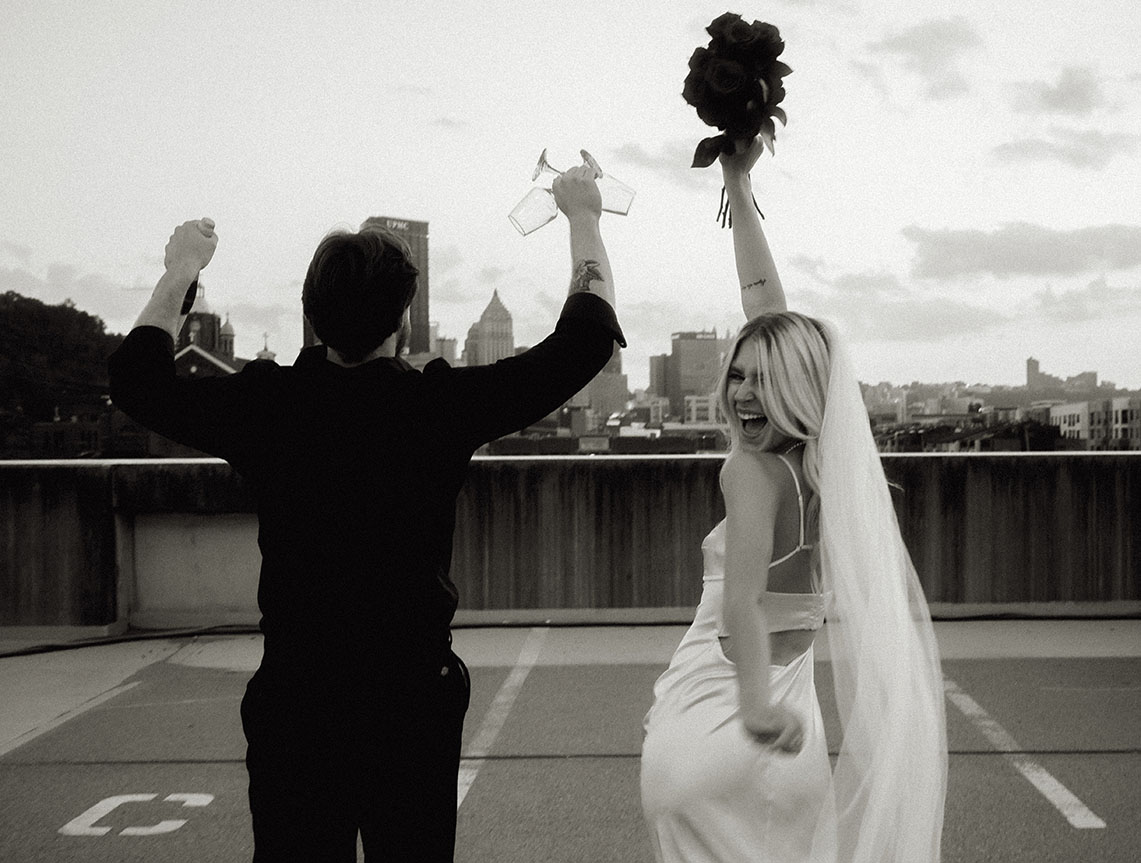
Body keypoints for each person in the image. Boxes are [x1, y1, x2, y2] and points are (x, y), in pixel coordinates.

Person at [108, 164, 624, 862]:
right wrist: (583, 216)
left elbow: (138, 380)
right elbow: (585, 342)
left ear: (312, 315)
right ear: (403, 317)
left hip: (296, 696)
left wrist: (182, 268)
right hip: (411, 698)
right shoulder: (436, 408)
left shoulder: (269, 406)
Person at [640, 138, 947, 863]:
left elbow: (743, 600)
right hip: (794, 745)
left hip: (720, 722)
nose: (741, 392)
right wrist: (738, 188)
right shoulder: (826, 473)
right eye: (737, 374)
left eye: (761, 380)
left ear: (797, 389)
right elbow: (765, 308)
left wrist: (750, 702)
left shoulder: (751, 472)